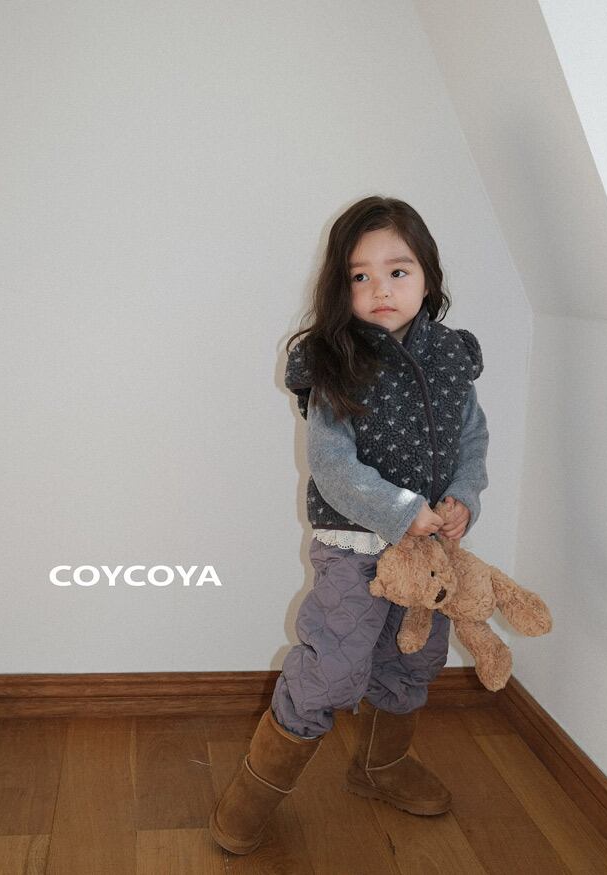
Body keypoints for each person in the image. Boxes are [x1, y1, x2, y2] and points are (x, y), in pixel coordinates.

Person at [210, 195, 489, 855]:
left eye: (397, 271)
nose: (380, 289)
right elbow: (333, 467)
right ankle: (256, 789)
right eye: (360, 275)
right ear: (341, 286)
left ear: (429, 277)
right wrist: (402, 510)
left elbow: (471, 440)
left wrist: (462, 496)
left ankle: (379, 765)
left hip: (427, 556)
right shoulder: (335, 361)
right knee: (333, 666)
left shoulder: (453, 359)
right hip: (355, 550)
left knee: (414, 656)